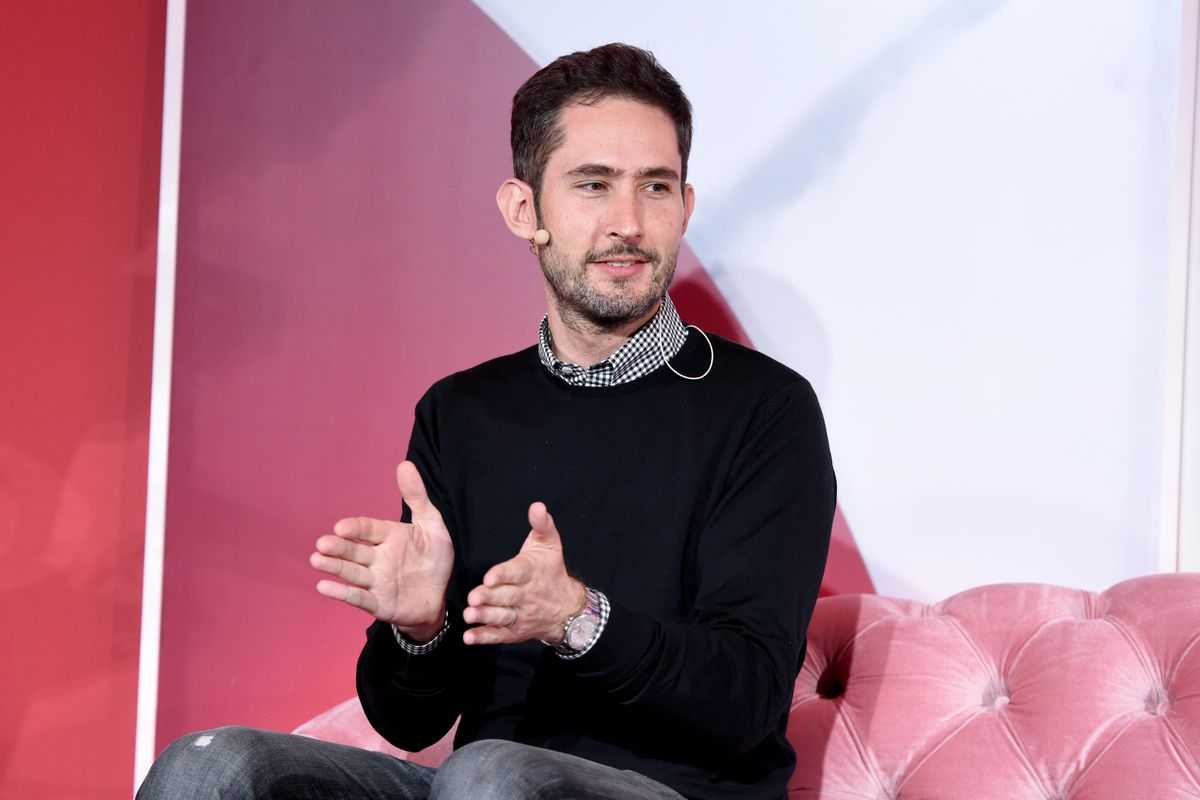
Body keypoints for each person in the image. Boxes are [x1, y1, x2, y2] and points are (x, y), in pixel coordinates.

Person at [138, 42, 835, 800]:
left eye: (655, 187)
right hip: (480, 786)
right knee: (209, 765)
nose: (628, 222)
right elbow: (409, 723)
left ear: (685, 209)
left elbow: (747, 699)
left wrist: (577, 619)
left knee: (489, 771)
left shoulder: (765, 410)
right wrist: (419, 630)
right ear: (524, 211)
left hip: (674, 791)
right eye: (593, 185)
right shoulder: (463, 413)